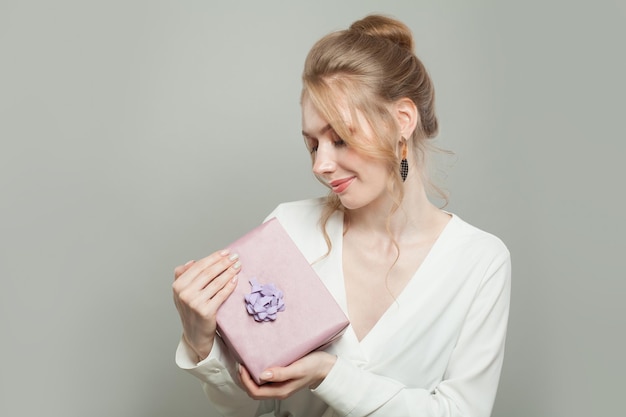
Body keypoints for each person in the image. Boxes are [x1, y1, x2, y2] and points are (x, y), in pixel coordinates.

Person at [172, 14, 511, 417]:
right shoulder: (289, 229)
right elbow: (246, 400)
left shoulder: (480, 261)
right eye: (313, 144)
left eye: (339, 138)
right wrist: (200, 340)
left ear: (402, 120)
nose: (320, 164)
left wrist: (328, 374)